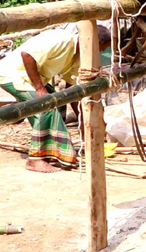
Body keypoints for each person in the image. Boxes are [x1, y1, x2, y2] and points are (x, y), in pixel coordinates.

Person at [0, 27, 112, 173]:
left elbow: (74, 92)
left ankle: (50, 151)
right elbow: (27, 55)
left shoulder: (78, 55)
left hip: (31, 78)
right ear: (93, 42)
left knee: (59, 106)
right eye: (100, 49)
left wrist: (84, 122)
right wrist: (40, 88)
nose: (100, 53)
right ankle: (35, 160)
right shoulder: (62, 40)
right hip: (13, 75)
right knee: (45, 107)